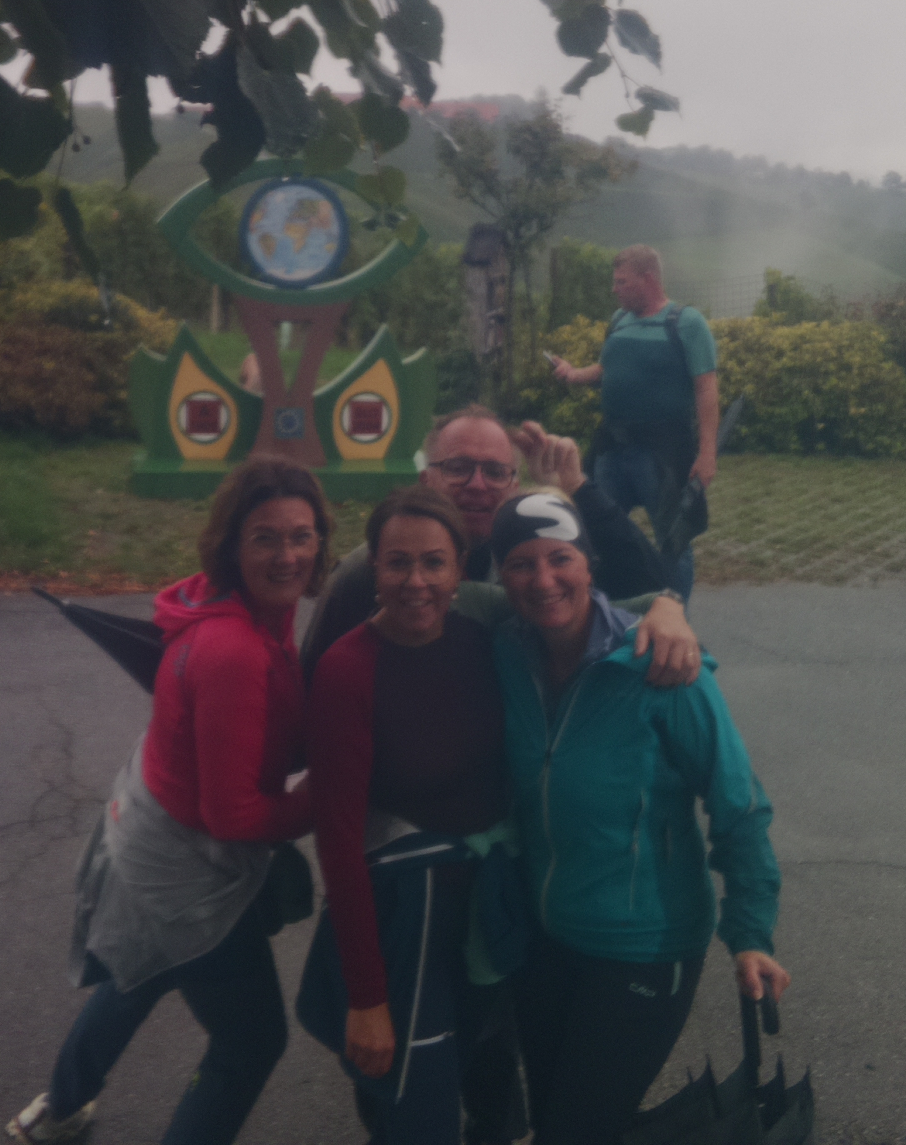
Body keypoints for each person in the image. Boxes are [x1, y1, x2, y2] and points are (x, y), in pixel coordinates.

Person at [301, 487, 699, 1145]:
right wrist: (366, 997)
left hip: (490, 914)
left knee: (463, 1073)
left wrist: (668, 603)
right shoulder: (347, 670)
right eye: (398, 562)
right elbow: (339, 845)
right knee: (419, 1109)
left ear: (462, 569)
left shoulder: (487, 633)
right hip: (407, 920)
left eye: (434, 562)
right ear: (372, 567)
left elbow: (591, 604)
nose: (417, 581)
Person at [7, 456, 329, 1144]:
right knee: (250, 1043)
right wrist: (327, 796)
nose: (288, 555)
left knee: (141, 969)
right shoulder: (233, 650)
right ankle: (61, 1109)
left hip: (148, 825)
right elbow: (233, 816)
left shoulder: (232, 605)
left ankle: (57, 1111)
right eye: (265, 538)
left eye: (302, 536)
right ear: (232, 546)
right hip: (187, 869)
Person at [487, 492, 787, 1145]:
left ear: (589, 563)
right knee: (555, 1118)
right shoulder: (506, 653)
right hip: (545, 938)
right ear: (500, 576)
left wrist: (751, 933)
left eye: (561, 558)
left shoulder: (663, 666)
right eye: (521, 564)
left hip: (643, 948)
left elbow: (738, 804)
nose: (543, 579)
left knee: (576, 1130)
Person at [300, 403, 697, 682]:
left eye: (494, 471)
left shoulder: (532, 564)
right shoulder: (366, 573)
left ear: (513, 485)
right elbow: (315, 683)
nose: (477, 485)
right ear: (426, 480)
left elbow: (647, 582)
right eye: (457, 467)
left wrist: (576, 488)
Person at [550, 245, 719, 604]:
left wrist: (707, 454)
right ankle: (608, 613)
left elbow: (706, 388)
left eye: (621, 282)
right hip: (612, 449)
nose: (615, 290)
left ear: (648, 279)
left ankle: (674, 618)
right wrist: (572, 374)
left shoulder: (686, 323)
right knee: (595, 530)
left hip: (662, 455)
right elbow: (605, 369)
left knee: (673, 541)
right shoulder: (619, 320)